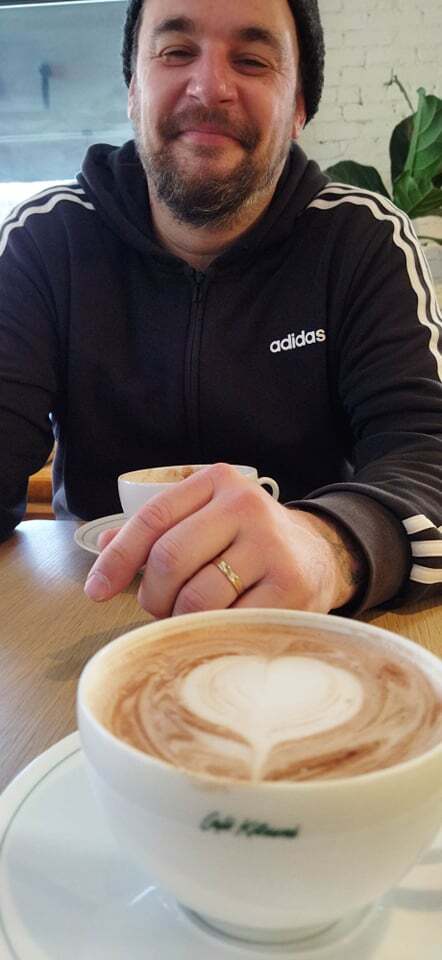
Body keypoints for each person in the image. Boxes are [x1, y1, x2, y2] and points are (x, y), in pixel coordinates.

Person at [0, 0, 441, 620]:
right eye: (176, 52)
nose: (209, 88)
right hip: (89, 612)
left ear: (299, 107)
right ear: (133, 89)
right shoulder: (46, 241)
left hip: (308, 619)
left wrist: (331, 546)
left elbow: (427, 450)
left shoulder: (361, 241)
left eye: (252, 60)